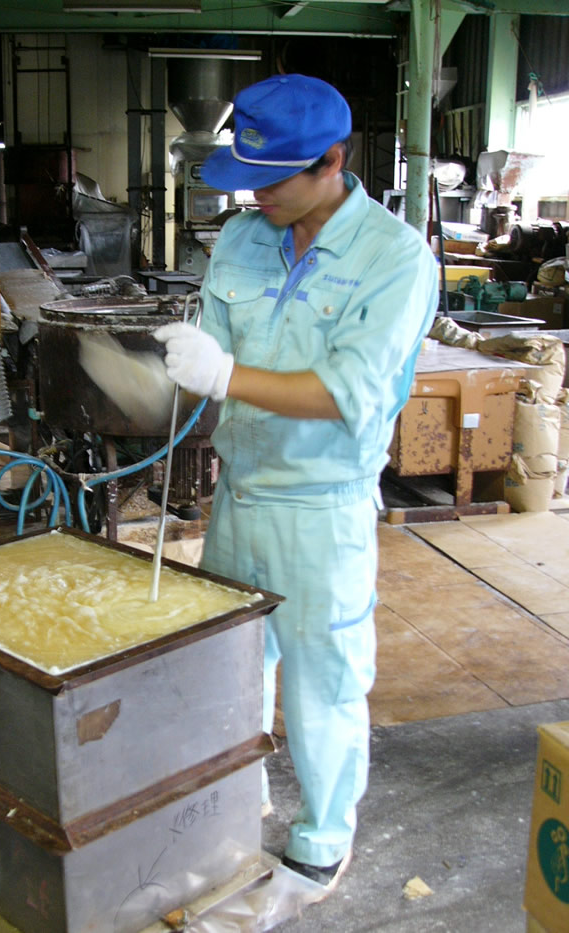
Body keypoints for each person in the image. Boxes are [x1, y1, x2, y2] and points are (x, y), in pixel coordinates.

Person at [154, 73, 439, 899]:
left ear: (333, 161)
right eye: (248, 178)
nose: (258, 195)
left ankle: (322, 836)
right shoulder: (243, 240)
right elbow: (212, 344)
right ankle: (234, 811)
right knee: (233, 673)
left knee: (324, 683)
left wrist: (228, 373)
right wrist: (184, 363)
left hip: (322, 512)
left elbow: (346, 391)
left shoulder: (394, 260)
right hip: (241, 494)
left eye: (274, 179)